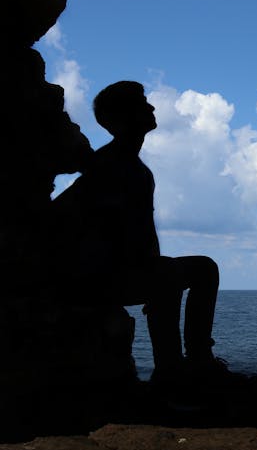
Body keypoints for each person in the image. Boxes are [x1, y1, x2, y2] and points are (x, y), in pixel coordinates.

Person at [50, 80, 226, 387]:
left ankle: (199, 359)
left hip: (119, 271)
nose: (152, 107)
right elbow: (96, 228)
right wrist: (155, 277)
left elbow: (141, 233)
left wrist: (153, 274)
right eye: (142, 103)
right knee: (170, 273)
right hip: (93, 279)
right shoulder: (109, 166)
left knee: (204, 269)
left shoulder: (133, 168)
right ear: (120, 119)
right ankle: (170, 375)